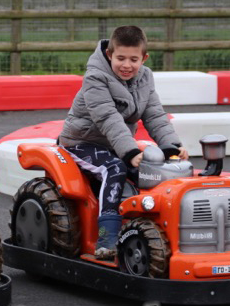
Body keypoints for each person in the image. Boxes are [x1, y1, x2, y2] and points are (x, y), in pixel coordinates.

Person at [58, 25, 188, 260]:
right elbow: (107, 117)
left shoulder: (145, 78)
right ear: (109, 54)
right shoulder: (95, 77)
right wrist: (128, 151)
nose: (126, 65)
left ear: (144, 58)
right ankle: (106, 238)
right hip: (81, 141)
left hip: (115, 143)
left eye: (133, 59)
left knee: (151, 170)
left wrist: (172, 148)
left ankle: (153, 228)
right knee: (114, 168)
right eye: (120, 58)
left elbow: (155, 115)